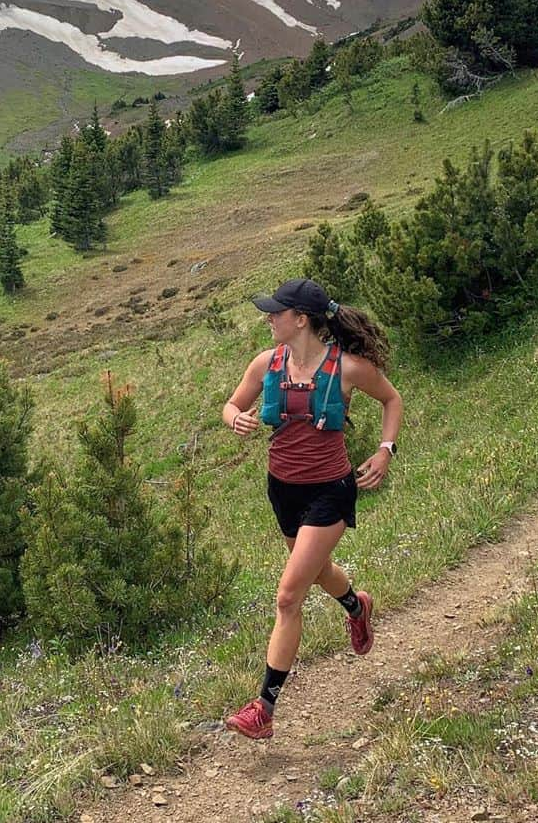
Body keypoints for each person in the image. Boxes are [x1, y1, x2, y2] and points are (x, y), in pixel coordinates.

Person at [221, 278, 403, 740]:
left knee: (288, 596)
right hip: (282, 490)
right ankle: (355, 605)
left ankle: (263, 707)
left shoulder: (348, 368)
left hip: (330, 491)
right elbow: (231, 404)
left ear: (300, 319)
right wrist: (235, 417)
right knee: (318, 572)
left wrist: (385, 450)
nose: (268, 318)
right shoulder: (266, 364)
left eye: (276, 312)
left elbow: (391, 398)